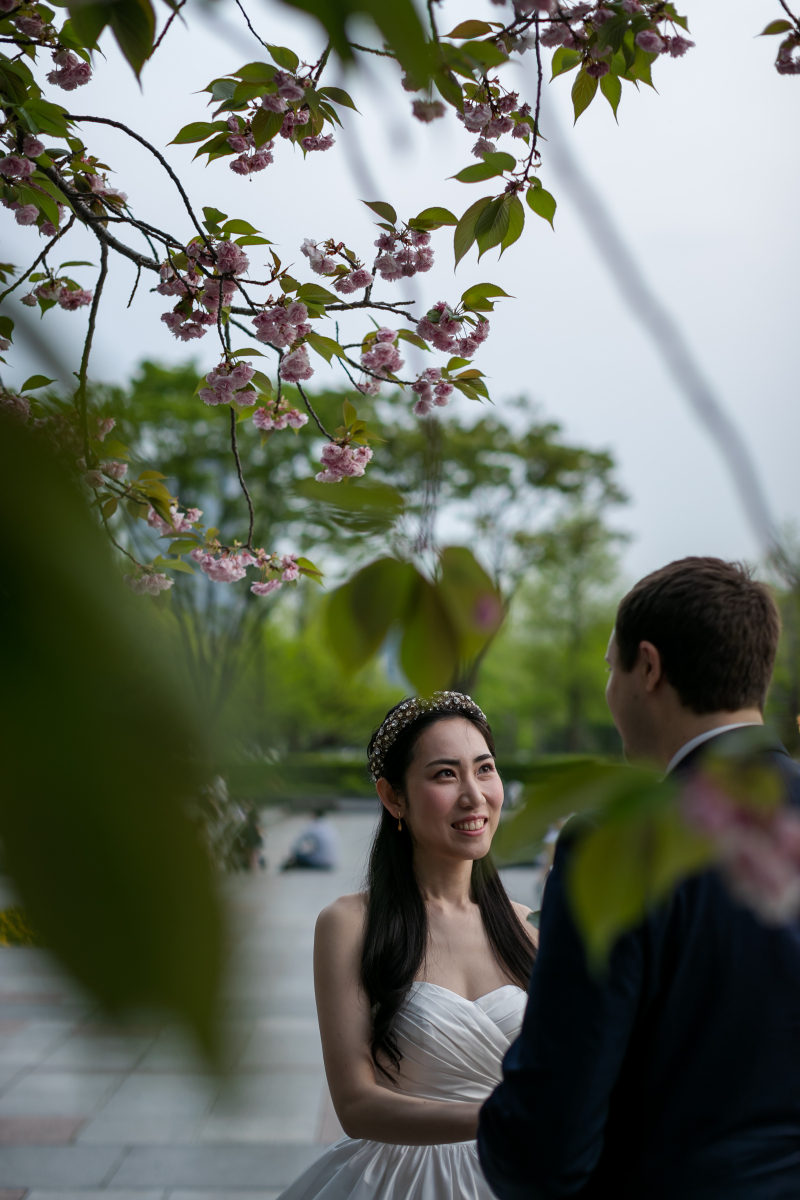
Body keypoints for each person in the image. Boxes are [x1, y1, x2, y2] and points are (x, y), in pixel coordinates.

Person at [478, 557, 800, 1200]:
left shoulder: (619, 841)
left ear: (647, 668)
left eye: (609, 666)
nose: (608, 688)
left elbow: (551, 1132)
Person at [275, 691, 537, 1200]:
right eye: (445, 774)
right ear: (393, 796)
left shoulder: (531, 928)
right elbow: (355, 1106)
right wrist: (506, 1117)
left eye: (485, 769)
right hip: (403, 1182)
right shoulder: (349, 924)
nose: (474, 794)